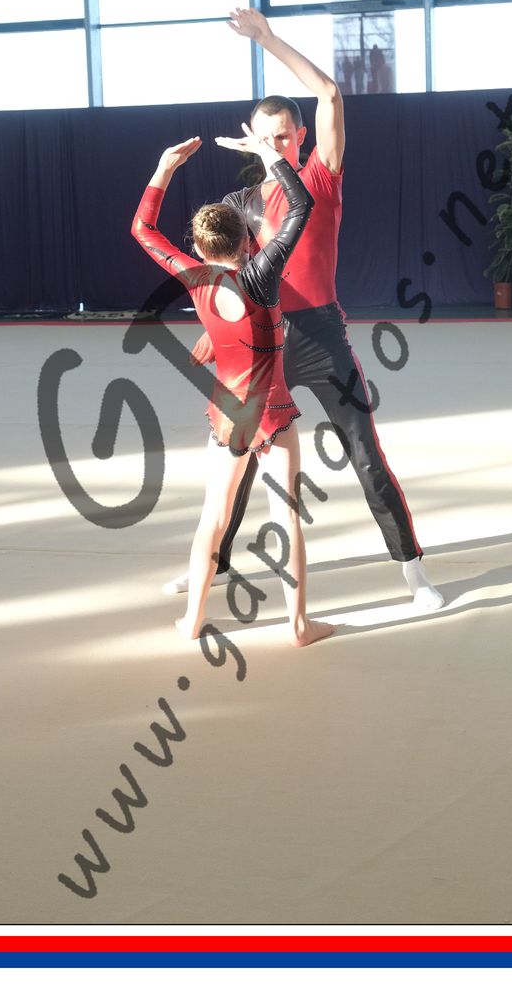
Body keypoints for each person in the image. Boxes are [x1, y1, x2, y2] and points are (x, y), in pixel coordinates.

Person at [163, 7, 444, 612]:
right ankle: (210, 563)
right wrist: (214, 332)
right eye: (267, 137)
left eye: (286, 135)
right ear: (253, 137)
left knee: (365, 453)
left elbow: (330, 93)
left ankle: (414, 571)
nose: (278, 144)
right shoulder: (241, 202)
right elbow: (228, 275)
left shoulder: (320, 179)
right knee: (239, 457)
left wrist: (267, 38)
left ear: (301, 138)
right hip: (263, 341)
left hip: (322, 335)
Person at [131, 130, 334, 648]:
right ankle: (298, 625)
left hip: (227, 415)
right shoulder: (262, 275)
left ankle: (192, 620)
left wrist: (163, 169)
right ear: (248, 241)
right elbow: (302, 206)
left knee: (214, 518)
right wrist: (269, 155)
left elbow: (143, 230)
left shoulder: (195, 278)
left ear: (199, 247)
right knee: (286, 517)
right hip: (273, 412)